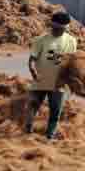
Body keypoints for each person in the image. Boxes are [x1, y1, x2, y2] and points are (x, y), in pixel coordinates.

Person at [25, 11, 77, 140]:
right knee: (32, 107)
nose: (59, 31)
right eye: (57, 28)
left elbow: (72, 62)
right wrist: (33, 71)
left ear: (66, 28)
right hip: (41, 80)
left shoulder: (71, 41)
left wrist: (72, 81)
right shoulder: (41, 40)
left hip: (59, 83)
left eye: (62, 29)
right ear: (52, 25)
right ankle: (27, 132)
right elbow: (32, 59)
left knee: (55, 111)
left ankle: (49, 136)